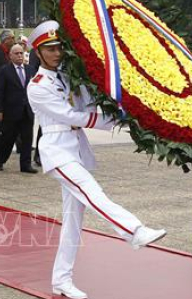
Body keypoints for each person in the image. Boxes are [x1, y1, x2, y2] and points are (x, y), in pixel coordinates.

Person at [26, 20, 167, 299]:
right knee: (92, 192)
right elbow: (70, 116)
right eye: (50, 49)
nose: (56, 53)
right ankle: (133, 231)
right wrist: (110, 120)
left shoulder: (69, 75)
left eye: (59, 47)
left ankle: (61, 280)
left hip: (75, 148)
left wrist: (118, 107)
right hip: (57, 150)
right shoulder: (37, 85)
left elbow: (87, 103)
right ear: (38, 53)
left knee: (72, 221)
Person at [0, 43, 37, 173]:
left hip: (27, 111)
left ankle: (26, 165)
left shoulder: (30, 70)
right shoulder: (5, 71)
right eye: (16, 53)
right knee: (8, 138)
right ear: (10, 56)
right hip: (10, 111)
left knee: (27, 138)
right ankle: (0, 159)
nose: (19, 56)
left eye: (21, 53)